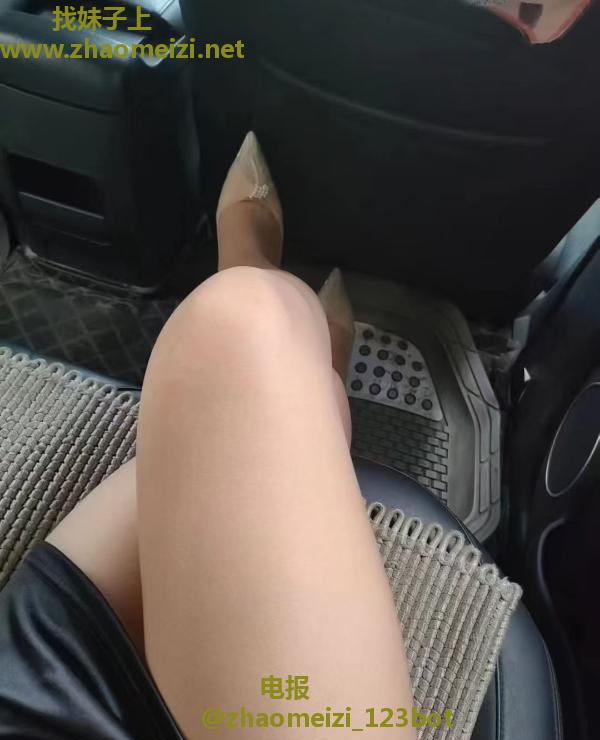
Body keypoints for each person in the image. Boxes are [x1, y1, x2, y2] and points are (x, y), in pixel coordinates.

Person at [0, 133, 415, 739]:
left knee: (242, 352)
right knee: (243, 322)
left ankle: (312, 382)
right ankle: (311, 377)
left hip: (45, 684)